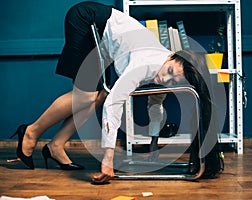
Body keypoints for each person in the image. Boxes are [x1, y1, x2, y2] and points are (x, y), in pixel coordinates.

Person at [10, 1, 213, 182]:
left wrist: (153, 143)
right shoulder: (145, 65)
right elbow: (114, 105)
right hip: (87, 18)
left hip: (107, 41)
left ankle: (56, 146)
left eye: (173, 81)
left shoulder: (168, 71)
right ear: (171, 57)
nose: (164, 80)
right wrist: (107, 158)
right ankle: (30, 132)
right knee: (89, 96)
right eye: (169, 72)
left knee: (101, 95)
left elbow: (156, 104)